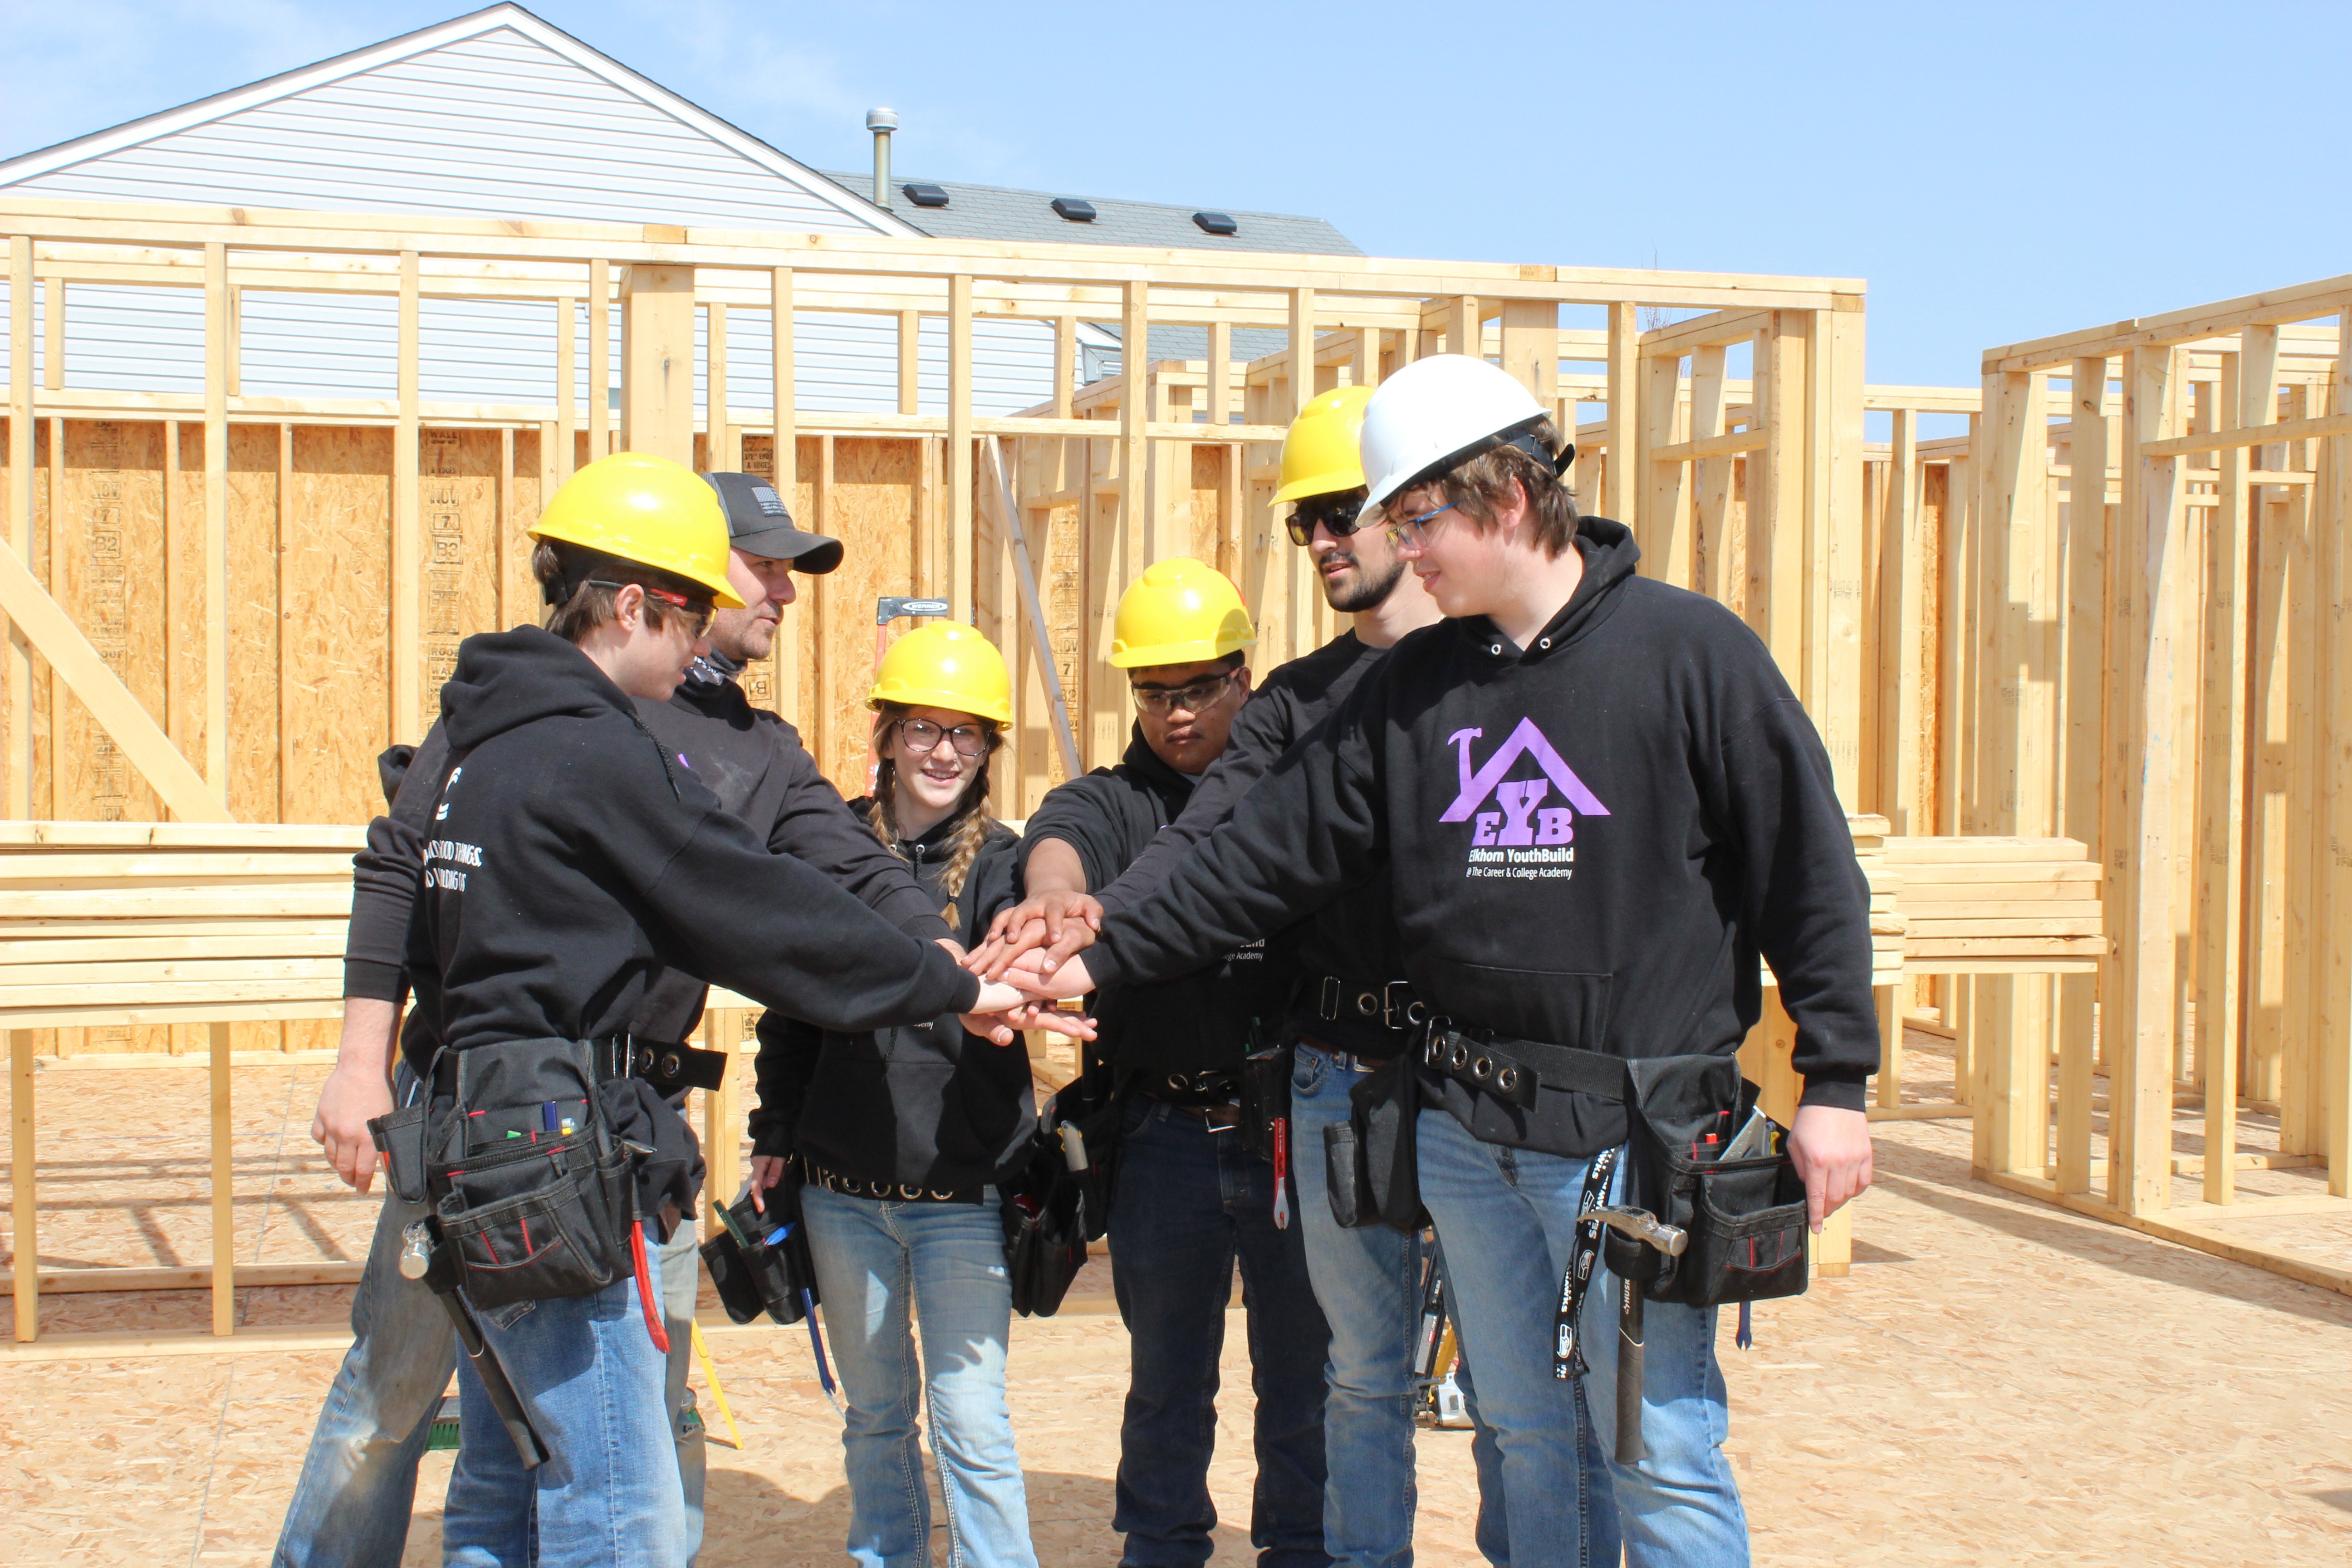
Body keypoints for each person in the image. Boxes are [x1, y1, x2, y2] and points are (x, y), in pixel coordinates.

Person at [997, 356, 1880, 1568]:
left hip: (1633, 1133)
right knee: (1525, 1433)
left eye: (1419, 518)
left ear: (1508, 499)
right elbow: (1261, 853)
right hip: (1467, 1127)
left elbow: (1809, 872)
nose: (1401, 550)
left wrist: (1835, 1085)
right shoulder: (1417, 689)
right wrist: (1094, 962)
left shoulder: (1690, 656)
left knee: (1659, 1453)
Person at [329, 450, 1031, 1568]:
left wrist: (937, 950)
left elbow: (835, 872)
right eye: (694, 606)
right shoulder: (601, 752)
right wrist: (952, 985)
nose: (705, 631)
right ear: (629, 606)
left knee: (509, 1469)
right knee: (617, 1506)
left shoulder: (495, 725)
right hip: (565, 1149)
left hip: (487, 1135)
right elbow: (760, 915)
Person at [975, 386, 1500, 1568]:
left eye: (1340, 512)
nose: (1320, 539)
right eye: (1302, 520)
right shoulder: (1294, 712)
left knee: (1517, 1406)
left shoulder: (1496, 674)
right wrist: (1085, 920)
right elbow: (1199, 843)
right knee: (1345, 1383)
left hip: (1481, 1091)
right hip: (1318, 1101)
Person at [1016, 559, 1331, 1568]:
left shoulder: (1297, 793)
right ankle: (1160, 1549)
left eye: (1199, 688)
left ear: (1245, 676)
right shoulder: (1114, 804)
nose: (1178, 714)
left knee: (1302, 1377)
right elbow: (1060, 845)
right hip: (1163, 1141)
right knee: (1166, 1379)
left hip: (1290, 1134)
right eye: (1155, 693)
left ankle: (1301, 1550)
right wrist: (1054, 899)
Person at [745, 621, 1044, 1568]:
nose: (944, 751)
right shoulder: (827, 854)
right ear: (885, 736)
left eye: (967, 733)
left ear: (990, 748)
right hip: (843, 1195)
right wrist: (773, 1136)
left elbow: (1027, 944)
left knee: (971, 1425)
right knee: (876, 1419)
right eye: (923, 727)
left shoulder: (1003, 865)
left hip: (964, 1197)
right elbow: (788, 1017)